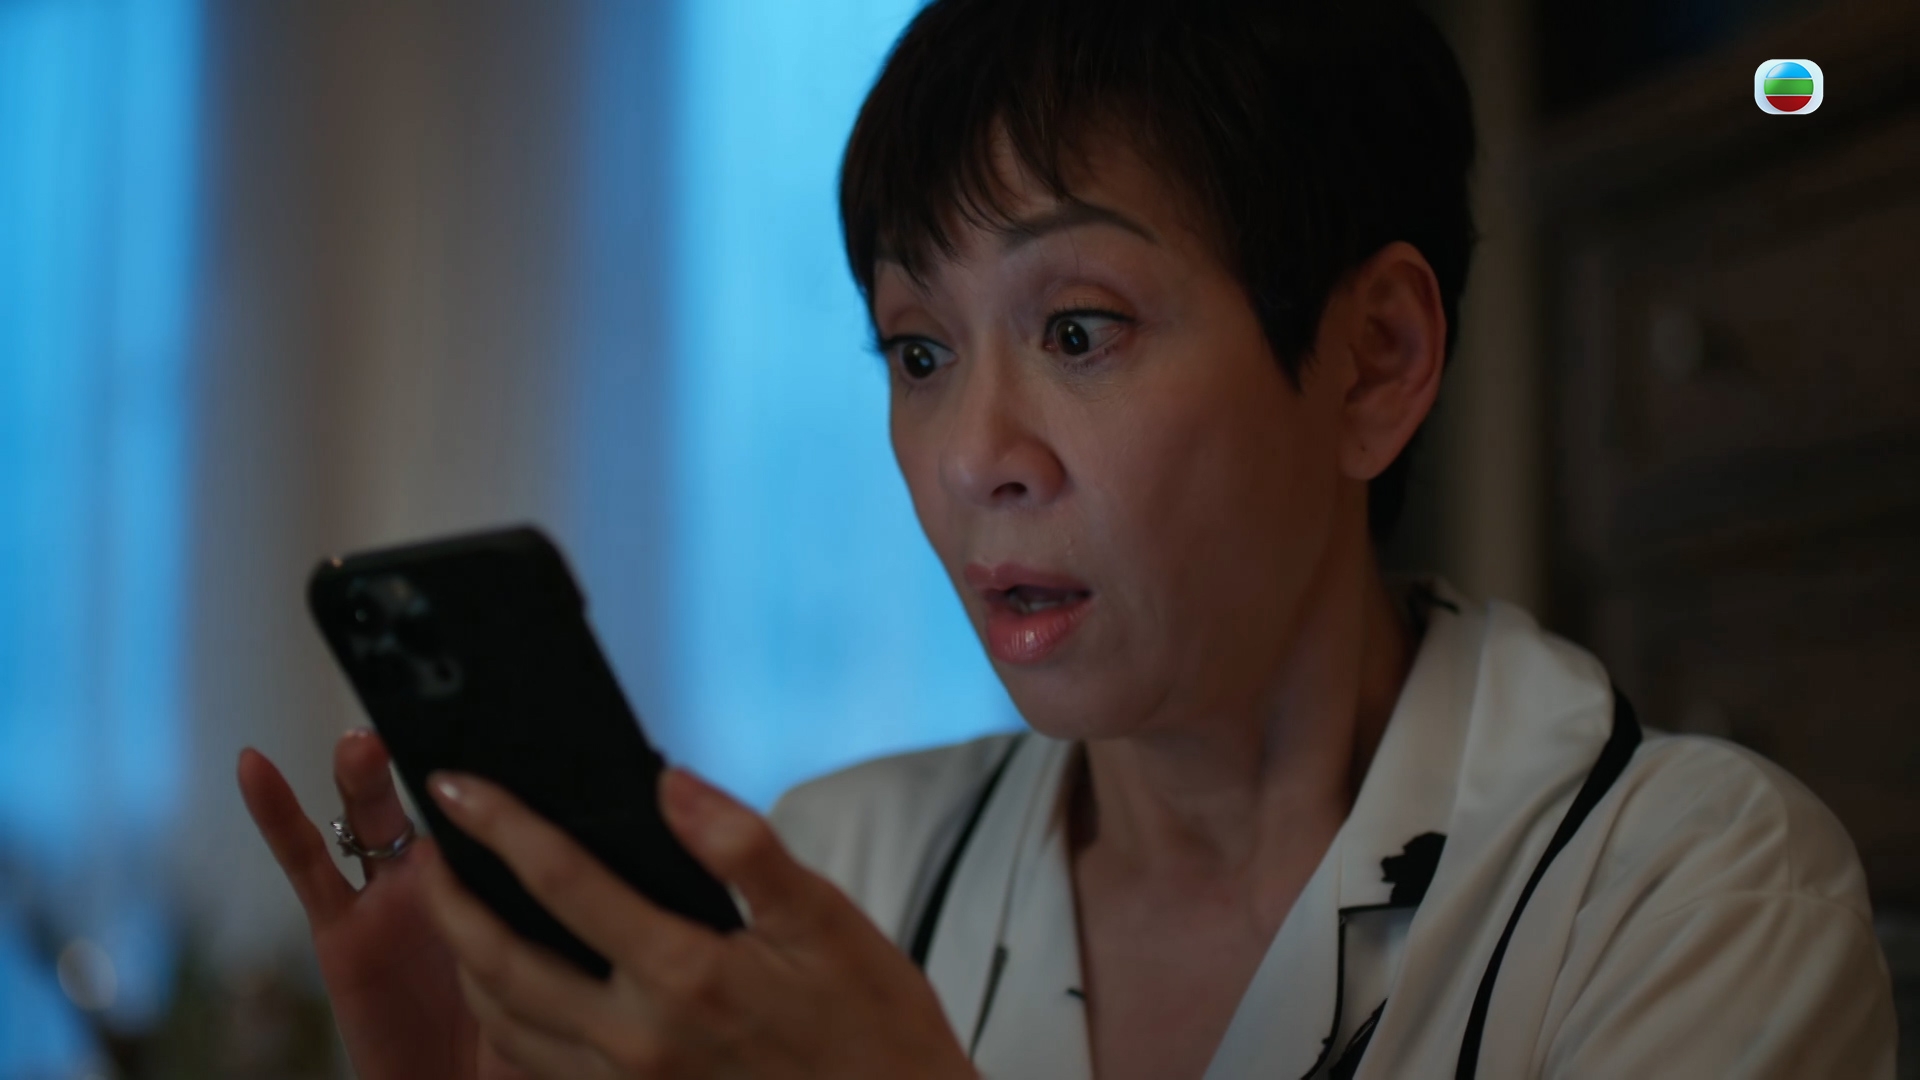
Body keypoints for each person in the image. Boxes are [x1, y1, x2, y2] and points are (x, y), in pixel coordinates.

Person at [238, 0, 1900, 1076]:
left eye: (1081, 329)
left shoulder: (1688, 897)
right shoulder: (836, 876)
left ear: (1373, 363)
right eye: (918, 352)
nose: (975, 457)